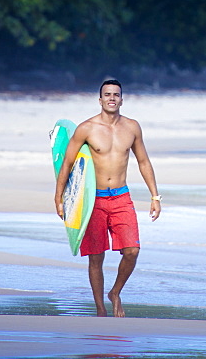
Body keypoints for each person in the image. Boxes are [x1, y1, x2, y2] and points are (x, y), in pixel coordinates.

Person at [54, 79, 162, 317]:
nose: (112, 98)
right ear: (100, 99)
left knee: (132, 250)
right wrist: (59, 196)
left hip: (121, 197)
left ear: (122, 99)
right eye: (107, 94)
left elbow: (143, 161)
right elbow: (67, 163)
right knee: (96, 257)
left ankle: (115, 292)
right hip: (93, 201)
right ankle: (100, 309)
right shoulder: (86, 129)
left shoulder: (132, 127)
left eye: (116, 94)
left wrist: (155, 196)